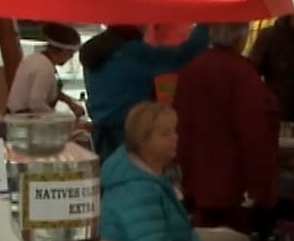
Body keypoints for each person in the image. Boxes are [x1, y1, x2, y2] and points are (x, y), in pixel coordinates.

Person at [173, 23, 279, 236]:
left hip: (194, 181)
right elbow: (254, 135)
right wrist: (263, 190)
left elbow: (179, 125)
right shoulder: (243, 75)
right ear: (241, 38)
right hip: (233, 188)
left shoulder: (190, 70)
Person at [99, 101, 214, 241]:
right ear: (142, 140)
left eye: (175, 131)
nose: (175, 138)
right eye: (165, 134)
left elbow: (182, 229)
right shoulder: (135, 189)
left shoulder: (153, 177)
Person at [80, 24, 208, 161]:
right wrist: (206, 23)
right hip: (130, 134)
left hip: (101, 136)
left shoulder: (94, 51)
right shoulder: (134, 52)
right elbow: (183, 56)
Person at [6, 23, 86, 116]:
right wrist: (58, 119)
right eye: (70, 53)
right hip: (23, 120)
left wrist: (71, 103)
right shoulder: (45, 68)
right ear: (62, 51)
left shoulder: (35, 58)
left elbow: (51, 90)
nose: (71, 57)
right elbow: (36, 103)